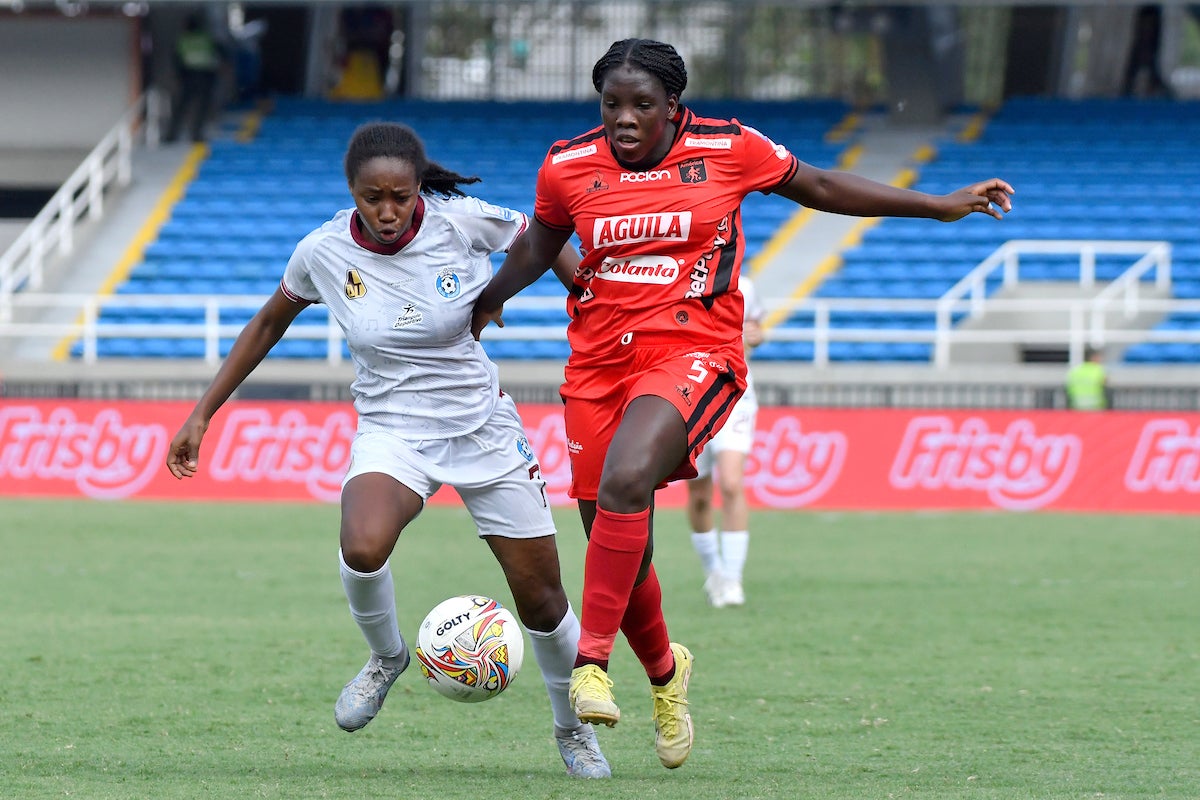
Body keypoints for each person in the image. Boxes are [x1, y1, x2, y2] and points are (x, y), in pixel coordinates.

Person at [472, 38, 1014, 771]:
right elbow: (541, 243)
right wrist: (488, 302)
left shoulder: (729, 147)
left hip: (695, 348)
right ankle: (667, 678)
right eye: (612, 104)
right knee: (616, 539)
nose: (625, 118)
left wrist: (936, 206)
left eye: (642, 105)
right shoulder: (567, 164)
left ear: (674, 107)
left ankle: (589, 664)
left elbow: (820, 187)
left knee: (630, 479)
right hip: (598, 362)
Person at [165, 122, 611, 779]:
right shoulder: (321, 250)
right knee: (362, 544)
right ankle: (387, 657)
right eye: (373, 198)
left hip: (482, 427)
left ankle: (572, 730)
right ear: (353, 193)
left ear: (416, 188)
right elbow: (267, 323)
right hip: (393, 428)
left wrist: (588, 306)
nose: (388, 211)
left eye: (400, 196)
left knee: (543, 601)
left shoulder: (460, 221)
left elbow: (543, 236)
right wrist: (202, 414)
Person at [684, 274, 765, 609]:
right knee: (699, 493)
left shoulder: (743, 285)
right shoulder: (681, 281)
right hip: (691, 394)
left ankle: (732, 577)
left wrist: (752, 335)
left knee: (731, 483)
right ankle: (714, 570)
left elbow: (758, 332)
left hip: (735, 392)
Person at [166, 11, 225, 144]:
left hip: (189, 76)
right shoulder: (206, 38)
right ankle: (196, 134)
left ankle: (171, 135)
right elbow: (221, 52)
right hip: (206, 76)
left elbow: (177, 60)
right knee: (202, 108)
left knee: (181, 107)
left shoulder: (183, 39)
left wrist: (178, 77)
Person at [1066, 346, 1110, 410]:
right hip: (1095, 406)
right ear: (1093, 357)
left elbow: (1068, 388)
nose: (1100, 359)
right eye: (1098, 357)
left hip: (1076, 406)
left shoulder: (1075, 371)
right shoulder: (1098, 370)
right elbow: (1106, 383)